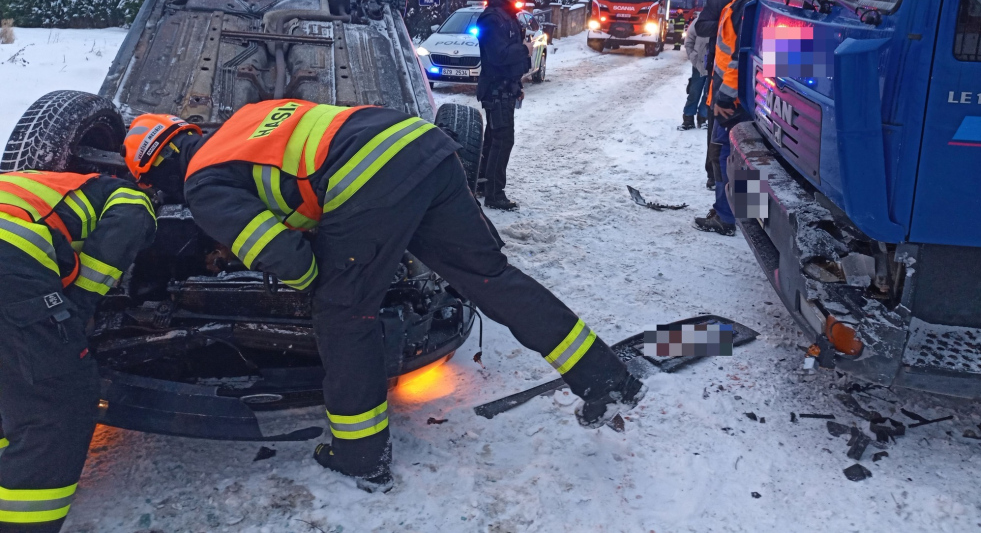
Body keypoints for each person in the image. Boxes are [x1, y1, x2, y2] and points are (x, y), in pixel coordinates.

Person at [123, 103, 642, 493]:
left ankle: (359, 455)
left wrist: (319, 281)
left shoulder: (201, 182)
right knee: (489, 277)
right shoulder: (245, 121)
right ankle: (605, 378)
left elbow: (284, 255)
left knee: (343, 314)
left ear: (157, 170)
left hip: (366, 176)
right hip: (423, 145)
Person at [0, 171, 156, 532]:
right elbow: (130, 221)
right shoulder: (125, 193)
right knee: (57, 402)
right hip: (8, 261)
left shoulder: (38, 185)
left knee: (11, 383)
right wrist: (79, 307)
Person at [694, 0, 755, 236]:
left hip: (733, 98)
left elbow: (740, 55)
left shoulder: (744, 4)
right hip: (744, 95)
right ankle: (747, 214)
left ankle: (726, 216)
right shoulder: (742, 1)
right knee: (747, 157)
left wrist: (726, 96)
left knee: (726, 155)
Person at [475, 0, 531, 211]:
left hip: (506, 88)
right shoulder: (491, 18)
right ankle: (494, 193)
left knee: (494, 138)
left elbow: (512, 58)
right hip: (495, 88)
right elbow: (499, 55)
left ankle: (483, 185)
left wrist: (517, 85)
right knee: (502, 139)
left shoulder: (508, 16)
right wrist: (525, 50)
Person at [679, 18, 710, 131]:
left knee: (708, 93)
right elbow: (689, 40)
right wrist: (693, 56)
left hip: (716, 65)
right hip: (699, 63)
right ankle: (688, 118)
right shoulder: (699, 21)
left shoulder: (723, 20)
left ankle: (703, 117)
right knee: (694, 91)